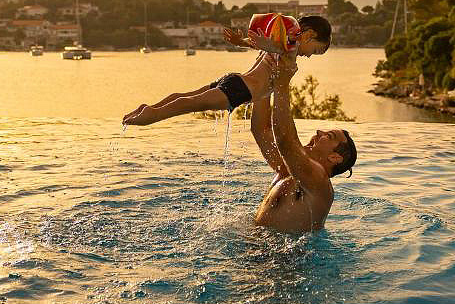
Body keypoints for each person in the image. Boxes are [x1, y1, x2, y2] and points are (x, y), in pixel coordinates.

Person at [122, 14, 331, 126]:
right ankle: (153, 114)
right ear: (309, 35)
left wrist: (242, 42)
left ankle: (149, 108)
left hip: (235, 81)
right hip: (241, 90)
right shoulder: (290, 47)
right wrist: (264, 44)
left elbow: (270, 45)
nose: (310, 56)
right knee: (192, 103)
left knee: (189, 96)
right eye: (315, 50)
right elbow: (277, 48)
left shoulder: (283, 40)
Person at [252, 54, 357, 232]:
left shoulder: (319, 181)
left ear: (334, 157)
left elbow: (286, 141)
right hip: (257, 245)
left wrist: (282, 83)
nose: (319, 132)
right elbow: (260, 130)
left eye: (329, 136)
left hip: (286, 251)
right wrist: (266, 68)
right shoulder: (287, 169)